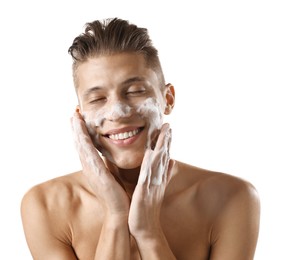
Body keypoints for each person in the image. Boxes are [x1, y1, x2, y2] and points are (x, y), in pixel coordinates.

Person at [21, 18, 260, 260]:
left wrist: (148, 232)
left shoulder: (232, 199)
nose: (117, 112)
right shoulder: (45, 206)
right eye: (97, 99)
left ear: (167, 99)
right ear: (80, 115)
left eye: (135, 91)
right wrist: (116, 216)